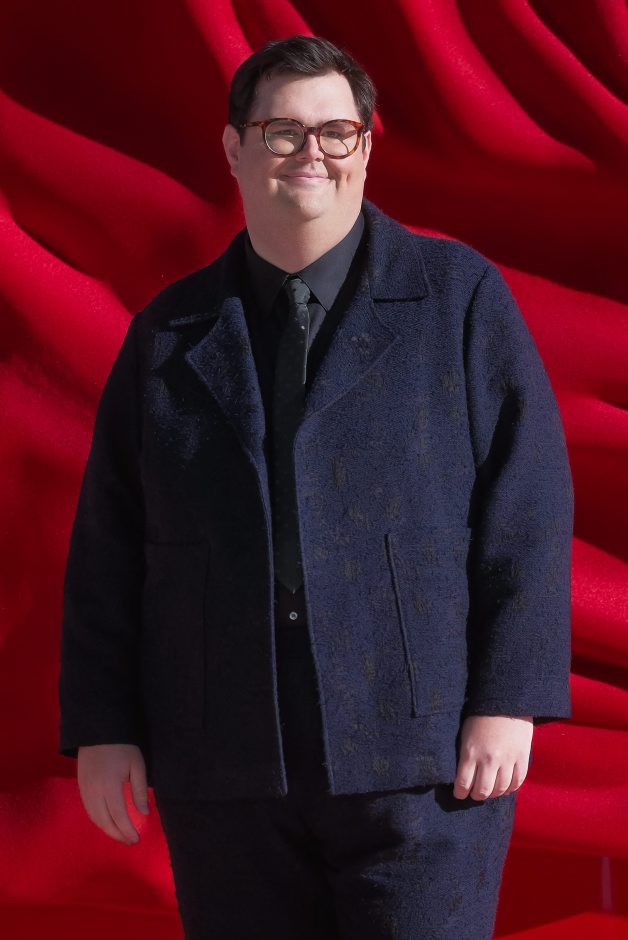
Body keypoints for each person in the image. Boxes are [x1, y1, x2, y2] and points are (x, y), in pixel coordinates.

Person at [58, 34, 574, 940]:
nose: (312, 154)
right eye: (283, 132)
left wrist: (508, 698)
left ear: (366, 149)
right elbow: (112, 540)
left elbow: (525, 506)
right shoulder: (169, 332)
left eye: (337, 132)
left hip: (422, 760)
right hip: (224, 762)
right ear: (234, 148)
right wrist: (105, 725)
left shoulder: (457, 299)